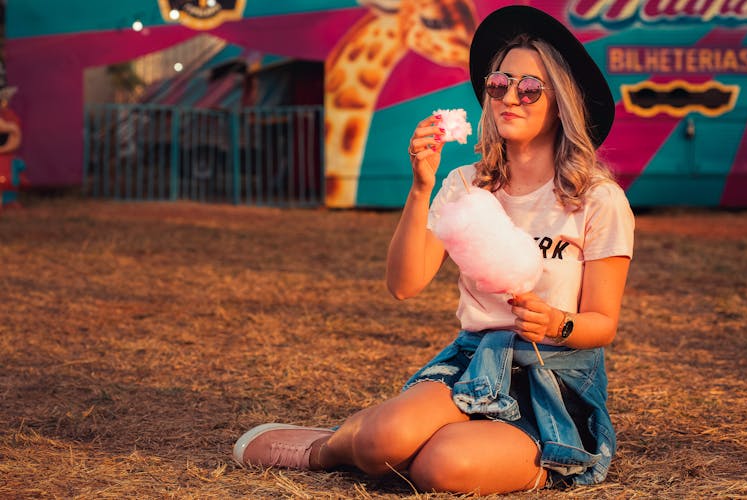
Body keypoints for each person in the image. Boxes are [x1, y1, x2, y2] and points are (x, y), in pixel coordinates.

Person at [232, 5, 634, 494]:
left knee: (441, 469)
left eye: (530, 88)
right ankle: (329, 447)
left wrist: (556, 323)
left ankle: (537, 455)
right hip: (476, 361)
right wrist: (421, 188)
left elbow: (602, 324)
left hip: (553, 378)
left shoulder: (598, 198)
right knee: (384, 438)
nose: (511, 96)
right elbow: (404, 285)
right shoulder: (466, 185)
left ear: (561, 103)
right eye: (499, 83)